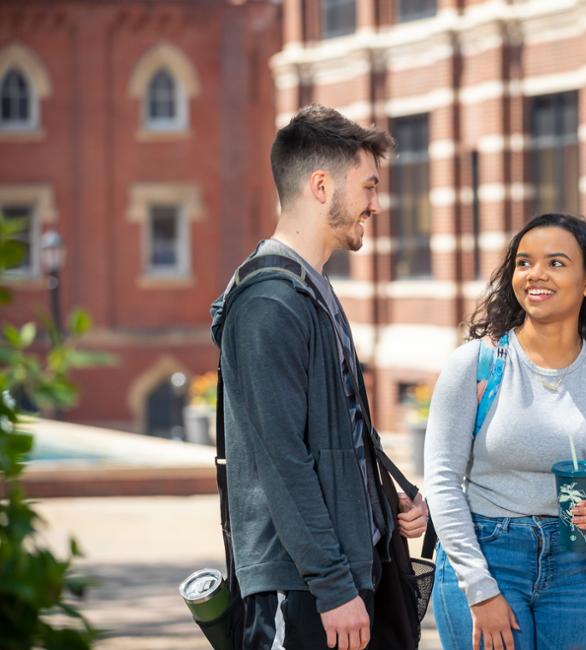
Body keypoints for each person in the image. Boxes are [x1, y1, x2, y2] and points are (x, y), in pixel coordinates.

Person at [210, 105, 429, 650]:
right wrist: (332, 587)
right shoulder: (268, 303)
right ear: (321, 184)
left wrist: (384, 500)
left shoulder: (312, 289)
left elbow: (337, 437)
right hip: (301, 591)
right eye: (368, 187)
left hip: (350, 577)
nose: (376, 205)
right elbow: (283, 460)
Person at [424, 213, 586, 650]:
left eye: (556, 263)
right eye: (524, 262)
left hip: (583, 569)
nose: (536, 274)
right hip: (487, 555)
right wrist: (480, 588)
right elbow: (441, 483)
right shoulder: (476, 365)